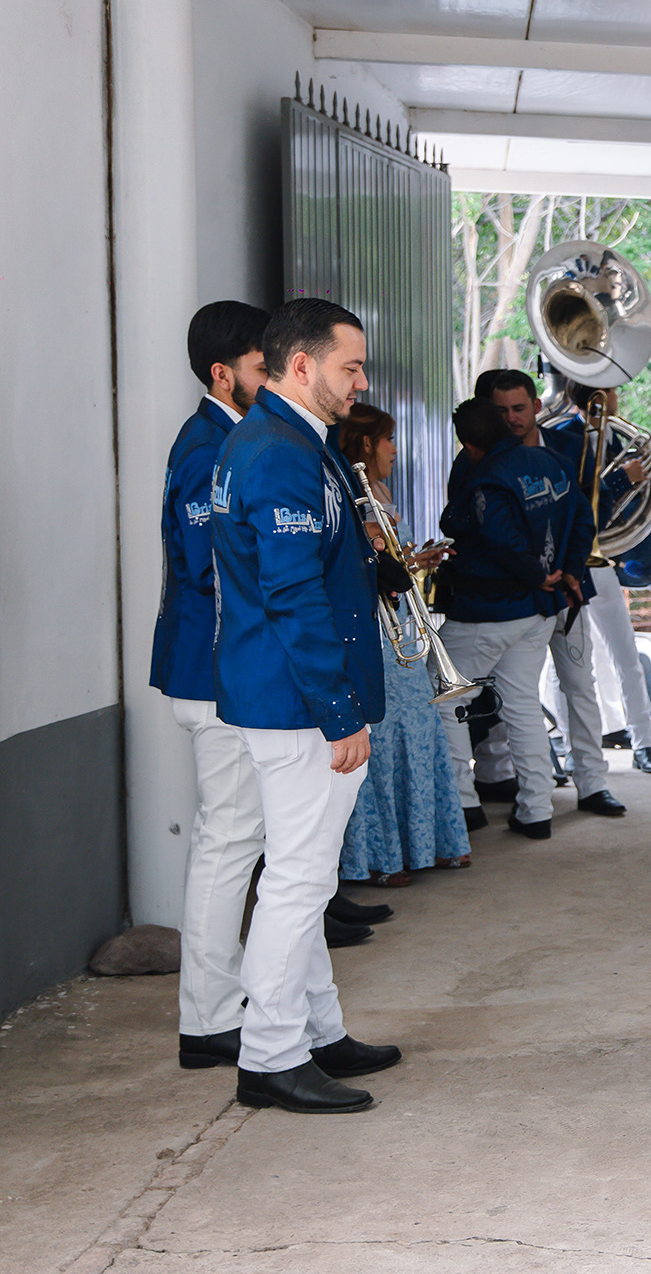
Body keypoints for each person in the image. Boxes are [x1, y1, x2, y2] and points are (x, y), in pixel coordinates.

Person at [209, 297, 403, 1113]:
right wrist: (339, 709)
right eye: (349, 367)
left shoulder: (288, 441)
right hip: (296, 702)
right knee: (296, 882)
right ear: (301, 366)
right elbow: (291, 595)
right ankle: (271, 1057)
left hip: (286, 693)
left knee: (307, 878)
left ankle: (319, 1032)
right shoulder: (280, 455)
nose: (361, 382)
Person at [156, 301, 273, 1071]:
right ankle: (206, 1021)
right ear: (222, 374)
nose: (275, 379)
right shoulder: (207, 450)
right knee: (227, 845)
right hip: (213, 669)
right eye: (263, 368)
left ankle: (220, 1006)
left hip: (226, 667)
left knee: (236, 843)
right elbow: (210, 568)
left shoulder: (227, 439)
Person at [468, 375, 630, 812]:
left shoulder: (568, 446)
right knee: (512, 689)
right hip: (515, 594)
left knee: (580, 682)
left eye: (519, 408)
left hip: (570, 587)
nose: (511, 419)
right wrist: (531, 573)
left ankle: (592, 782)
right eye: (501, 411)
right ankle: (499, 774)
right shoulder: (478, 456)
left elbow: (588, 513)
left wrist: (572, 570)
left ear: (537, 406)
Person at [433, 397, 592, 840]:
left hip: (489, 608)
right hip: (540, 610)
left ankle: (463, 806)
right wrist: (568, 570)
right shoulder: (552, 462)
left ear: (468, 445)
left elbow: (497, 536)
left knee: (444, 695)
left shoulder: (486, 477)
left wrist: (535, 574)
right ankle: (536, 810)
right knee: (520, 703)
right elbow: (583, 518)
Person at [334, 404, 471, 881]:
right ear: (367, 443)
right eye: (388, 439)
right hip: (377, 633)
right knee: (388, 739)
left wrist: (414, 561)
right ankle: (383, 858)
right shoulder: (354, 496)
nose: (394, 449)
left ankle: (427, 845)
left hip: (401, 627)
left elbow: (389, 563)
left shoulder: (383, 493)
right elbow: (360, 566)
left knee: (418, 731)